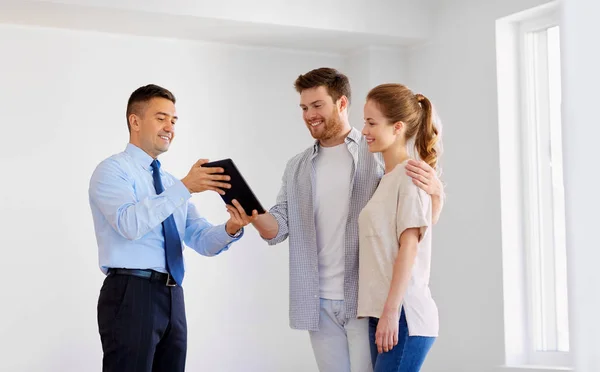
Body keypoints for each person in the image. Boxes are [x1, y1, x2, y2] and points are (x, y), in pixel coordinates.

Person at [231, 68, 445, 372]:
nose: (309, 115)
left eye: (317, 105)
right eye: (304, 108)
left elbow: (413, 229)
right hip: (317, 302)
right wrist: (250, 215)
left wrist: (437, 195)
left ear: (341, 104)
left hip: (363, 299)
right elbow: (277, 229)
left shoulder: (377, 154)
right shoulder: (297, 167)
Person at [88, 84, 257, 372]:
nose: (170, 127)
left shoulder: (169, 183)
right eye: (161, 117)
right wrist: (185, 187)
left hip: (172, 295)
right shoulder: (113, 170)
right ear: (135, 121)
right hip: (131, 292)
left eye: (174, 120)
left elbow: (201, 238)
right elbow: (129, 224)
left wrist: (231, 228)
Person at [357, 83, 441, 372]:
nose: (364, 131)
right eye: (364, 122)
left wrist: (391, 312)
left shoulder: (410, 176)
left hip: (403, 314)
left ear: (397, 128)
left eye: (371, 123)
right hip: (383, 312)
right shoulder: (386, 179)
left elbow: (410, 247)